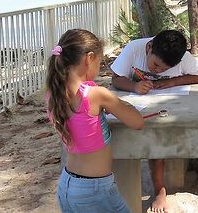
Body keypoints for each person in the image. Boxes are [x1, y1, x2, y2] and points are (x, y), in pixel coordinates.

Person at [46, 29, 144, 212]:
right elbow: (137, 121)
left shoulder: (53, 93)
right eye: (100, 63)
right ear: (89, 58)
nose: (99, 68)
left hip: (67, 185)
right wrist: (116, 103)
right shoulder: (96, 94)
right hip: (95, 191)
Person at [110, 29, 198, 213]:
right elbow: (115, 79)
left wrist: (172, 82)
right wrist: (134, 86)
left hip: (163, 109)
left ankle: (159, 189)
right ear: (149, 47)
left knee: (156, 140)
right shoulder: (134, 48)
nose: (157, 70)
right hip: (135, 106)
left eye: (164, 69)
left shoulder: (182, 57)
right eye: (155, 65)